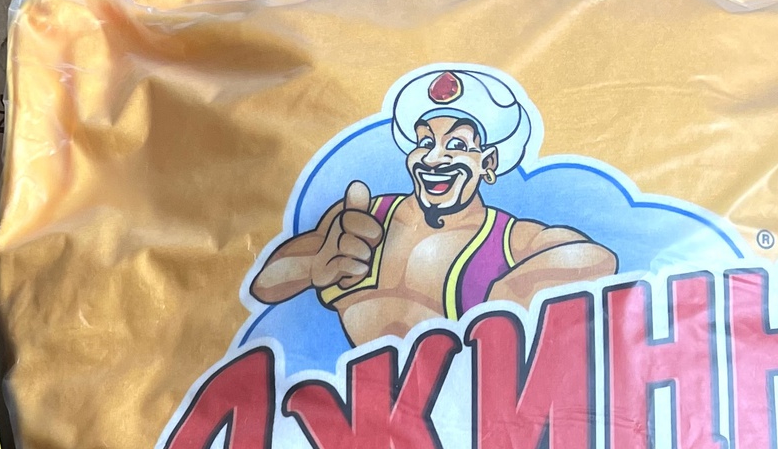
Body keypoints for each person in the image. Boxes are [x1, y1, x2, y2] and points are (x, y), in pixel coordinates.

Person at [250, 68, 618, 347]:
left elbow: (597, 259)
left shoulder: (507, 240)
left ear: (488, 162)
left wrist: (513, 293)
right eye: (425, 141)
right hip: (353, 412)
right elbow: (265, 284)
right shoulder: (362, 221)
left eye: (456, 145)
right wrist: (312, 266)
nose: (433, 158)